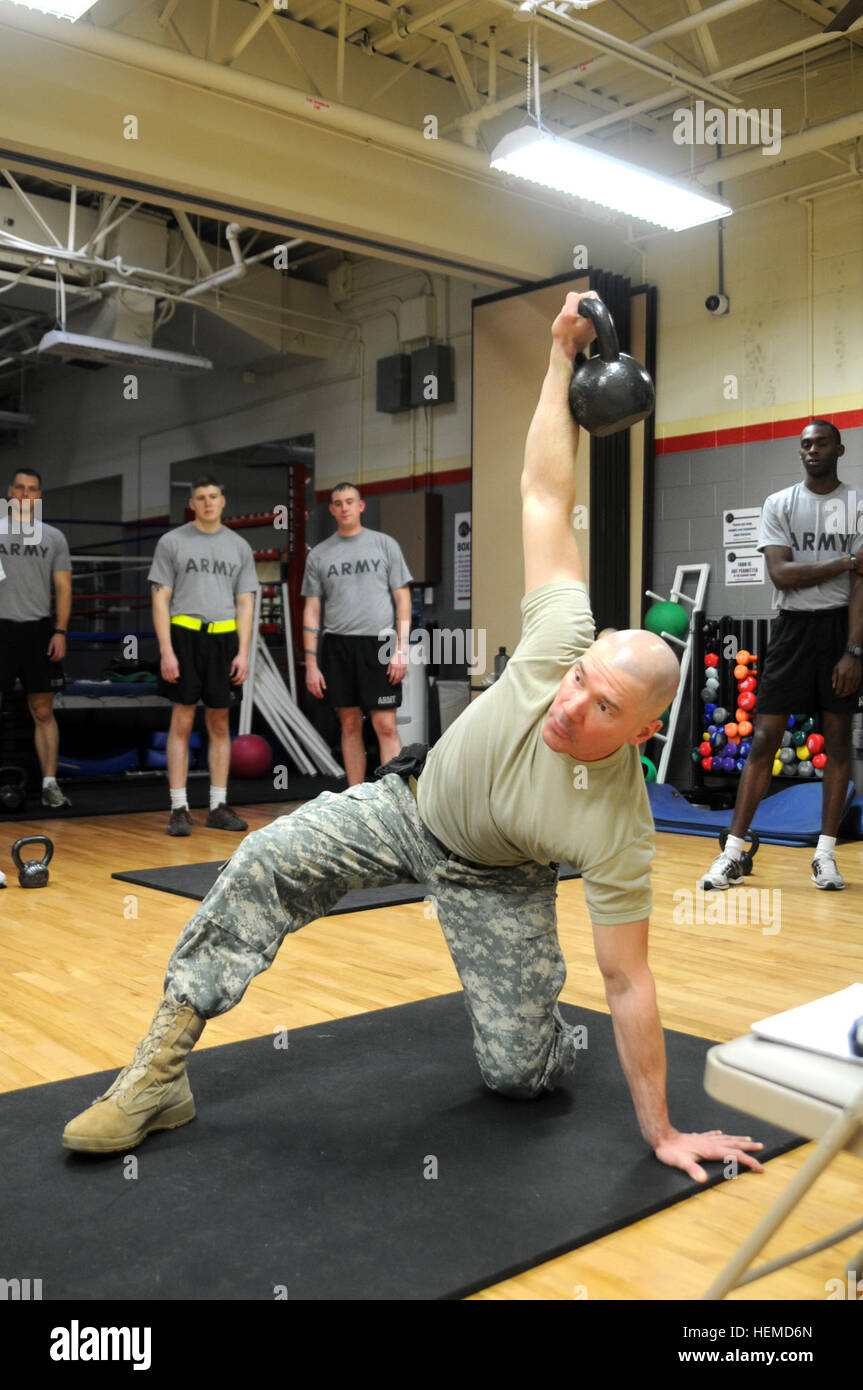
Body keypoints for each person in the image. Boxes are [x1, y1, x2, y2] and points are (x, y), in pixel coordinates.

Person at [63, 293, 764, 1186]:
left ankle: (543, 1031)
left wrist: (663, 1132)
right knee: (263, 860)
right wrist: (557, 359)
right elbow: (546, 490)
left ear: (641, 734)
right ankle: (155, 1075)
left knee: (521, 1077)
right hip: (406, 807)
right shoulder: (560, 641)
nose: (568, 702)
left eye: (599, 707)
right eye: (580, 677)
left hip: (498, 879)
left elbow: (628, 982)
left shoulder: (620, 828)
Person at [701, 420, 863, 892]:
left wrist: (853, 651)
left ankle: (825, 856)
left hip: (840, 630)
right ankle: (732, 853)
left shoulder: (857, 505)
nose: (812, 450)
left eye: (821, 443)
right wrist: (846, 561)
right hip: (791, 628)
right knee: (765, 735)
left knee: (837, 739)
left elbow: (860, 587)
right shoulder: (779, 504)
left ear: (840, 448)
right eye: (805, 445)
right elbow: (781, 575)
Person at [149, 476, 259, 836]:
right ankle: (178, 807)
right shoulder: (172, 541)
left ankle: (217, 805)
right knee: (181, 722)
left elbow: (245, 603)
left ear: (223, 501)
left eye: (214, 496)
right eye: (201, 497)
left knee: (220, 724)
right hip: (184, 636)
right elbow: (160, 599)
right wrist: (166, 650)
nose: (208, 502)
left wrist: (243, 653)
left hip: (224, 639)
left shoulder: (240, 546)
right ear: (192, 504)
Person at [302, 482, 412, 785]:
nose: (345, 507)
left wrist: (401, 649)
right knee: (349, 724)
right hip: (337, 646)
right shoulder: (320, 555)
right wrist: (311, 663)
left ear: (360, 506)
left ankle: (395, 798)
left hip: (379, 643)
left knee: (386, 724)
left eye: (350, 501)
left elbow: (403, 598)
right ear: (332, 509)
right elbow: (311, 610)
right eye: (338, 503)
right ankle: (356, 797)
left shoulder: (385, 545)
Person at [0, 469, 72, 808]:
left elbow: (63, 587)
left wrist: (60, 630)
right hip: (1, 627)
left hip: (39, 631)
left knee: (43, 710)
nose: (26, 495)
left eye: (32, 490)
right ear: (10, 492)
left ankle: (49, 785)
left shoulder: (54, 537)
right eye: (20, 488)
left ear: (39, 497)